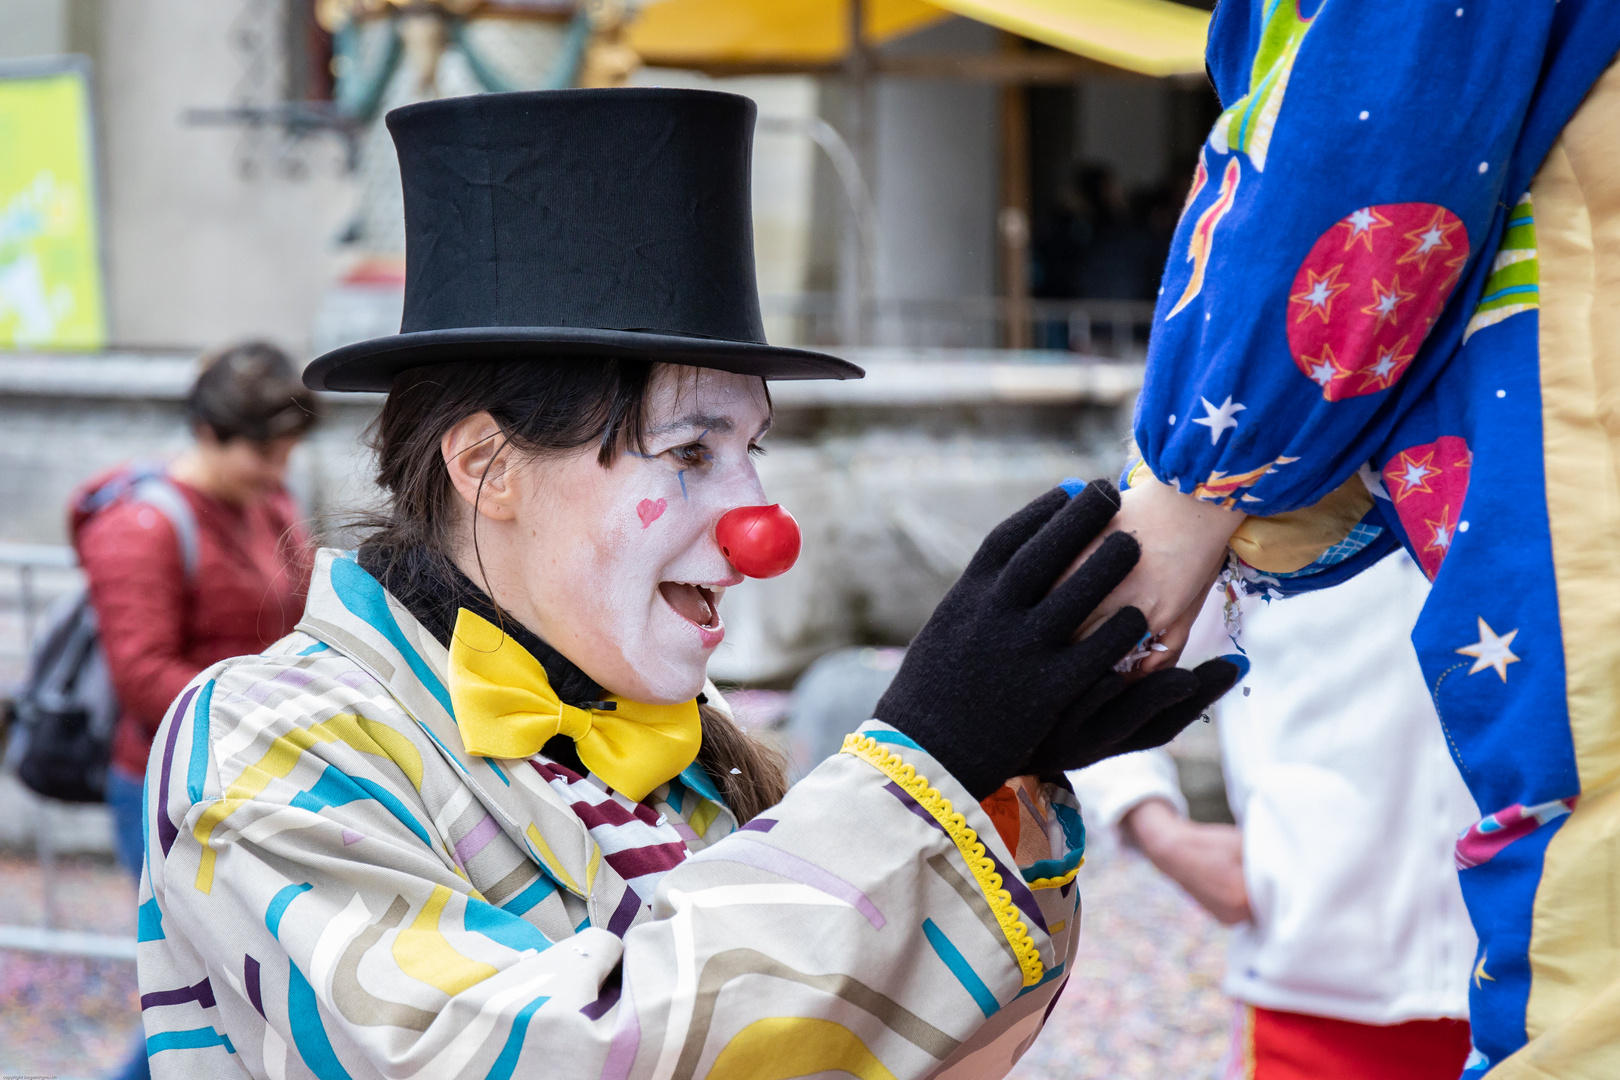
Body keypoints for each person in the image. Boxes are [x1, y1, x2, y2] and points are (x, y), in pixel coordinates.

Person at [133, 89, 1239, 1079]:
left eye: (755, 450)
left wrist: (989, 787)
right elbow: (538, 1058)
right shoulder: (267, 737)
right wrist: (919, 773)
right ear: (488, 466)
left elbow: (879, 1057)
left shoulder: (687, 754)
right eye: (690, 452)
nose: (762, 524)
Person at [1064, 5, 1620, 1074]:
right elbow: (1123, 604)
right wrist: (1157, 827)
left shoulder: (1244, 426)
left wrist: (1199, 478)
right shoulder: (1240, 443)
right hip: (1330, 942)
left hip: (1513, 907)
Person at [1073, 549, 1479, 1080]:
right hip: (1310, 995)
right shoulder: (1255, 486)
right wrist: (1152, 823)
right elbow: (1090, 669)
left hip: (1555, 988)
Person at [71, 340, 318, 1080]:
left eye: (286, 453)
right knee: (203, 994)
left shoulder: (267, 499)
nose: (279, 471)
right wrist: (265, 708)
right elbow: (142, 675)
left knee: (232, 991)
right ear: (208, 434)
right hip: (167, 789)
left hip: (252, 773)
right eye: (262, 454)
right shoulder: (140, 526)